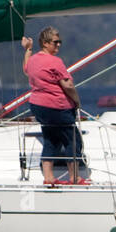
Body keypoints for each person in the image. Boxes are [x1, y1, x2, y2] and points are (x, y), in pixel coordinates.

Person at [22, 27, 84, 185]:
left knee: (50, 139)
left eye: (59, 42)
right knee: (73, 140)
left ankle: (48, 177)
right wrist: (76, 101)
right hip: (57, 106)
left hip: (38, 106)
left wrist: (28, 49)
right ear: (45, 43)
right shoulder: (55, 62)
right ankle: (75, 177)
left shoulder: (34, 59)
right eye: (55, 42)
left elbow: (26, 68)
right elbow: (68, 85)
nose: (58, 45)